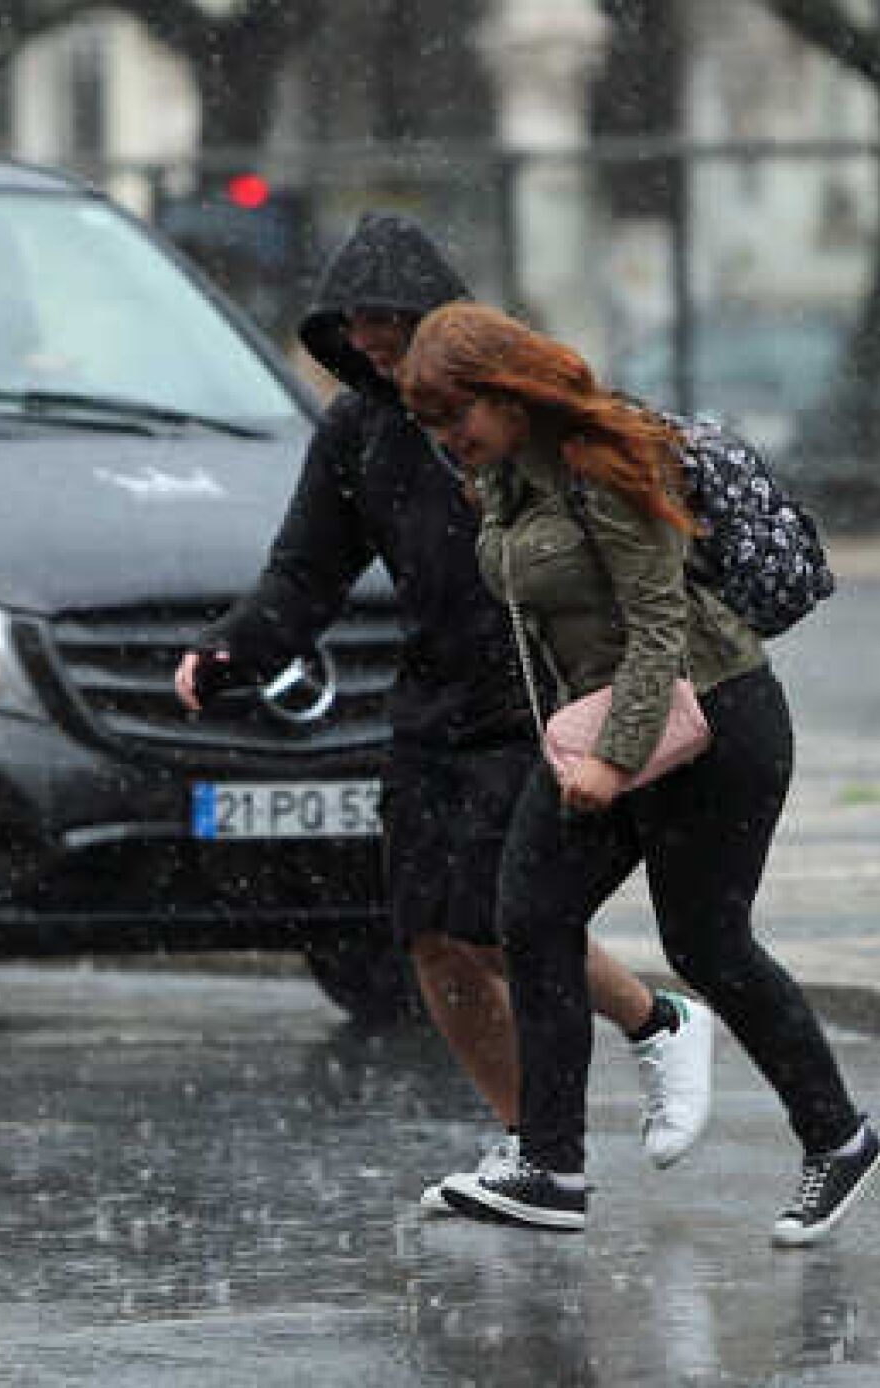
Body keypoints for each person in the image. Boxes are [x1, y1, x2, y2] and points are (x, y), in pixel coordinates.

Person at [174, 213, 716, 1209]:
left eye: (391, 317)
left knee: (508, 921)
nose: (372, 337)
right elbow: (305, 572)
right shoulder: (353, 432)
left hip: (534, 698)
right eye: (355, 321)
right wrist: (229, 651)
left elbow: (636, 546)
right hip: (429, 705)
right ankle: (524, 1146)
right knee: (431, 933)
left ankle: (648, 1027)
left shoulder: (518, 407)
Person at [396, 302, 880, 1247]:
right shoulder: (502, 475)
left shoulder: (601, 461)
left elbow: (661, 624)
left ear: (505, 391)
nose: (445, 437)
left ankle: (840, 1136)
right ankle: (550, 1166)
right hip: (614, 721)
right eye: (430, 424)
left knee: (709, 945)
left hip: (716, 720)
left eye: (455, 415)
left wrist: (613, 763)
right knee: (530, 910)